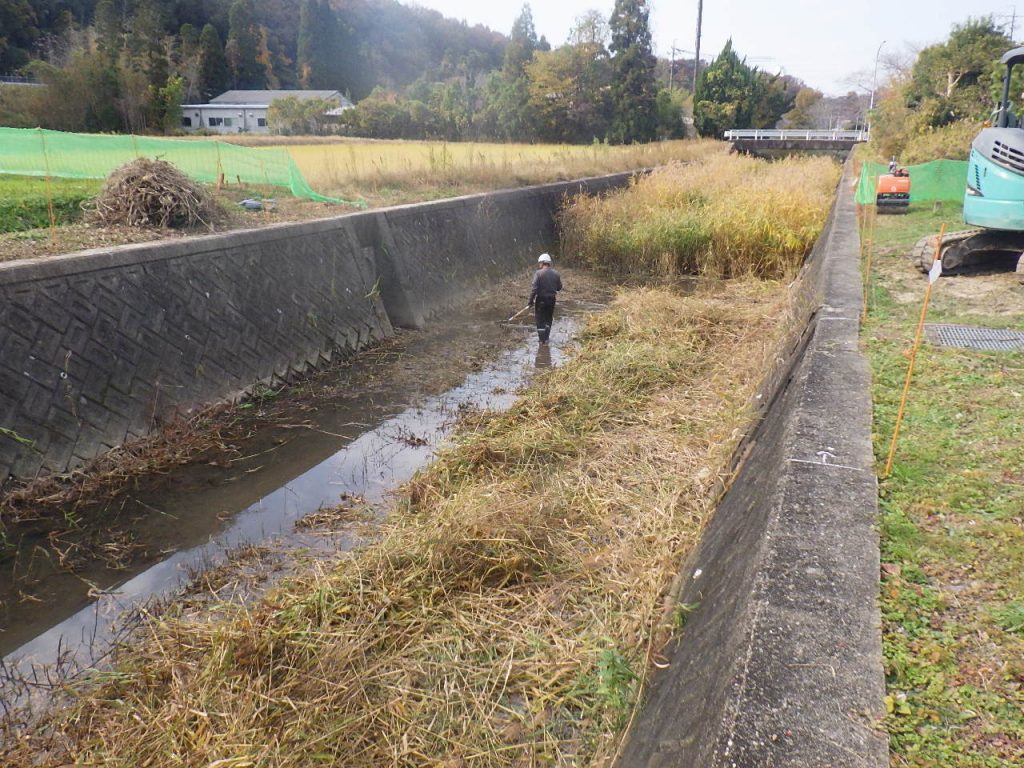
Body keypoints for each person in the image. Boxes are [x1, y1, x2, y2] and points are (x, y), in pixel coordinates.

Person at [528, 253, 562, 343]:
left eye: (539, 263)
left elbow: (534, 289)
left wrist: (530, 301)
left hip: (541, 300)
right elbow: (559, 287)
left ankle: (541, 340)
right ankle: (546, 338)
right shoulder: (556, 274)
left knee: (540, 320)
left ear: (542, 263)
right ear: (549, 263)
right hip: (552, 300)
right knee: (548, 318)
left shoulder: (538, 273)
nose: (539, 265)